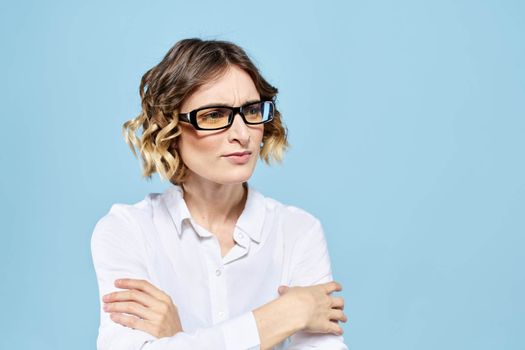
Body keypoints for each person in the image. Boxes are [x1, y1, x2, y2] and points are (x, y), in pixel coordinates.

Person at [91, 38, 348, 350]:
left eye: (252, 111)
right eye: (213, 115)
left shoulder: (297, 232)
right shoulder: (127, 230)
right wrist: (285, 314)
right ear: (170, 127)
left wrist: (177, 339)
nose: (242, 134)